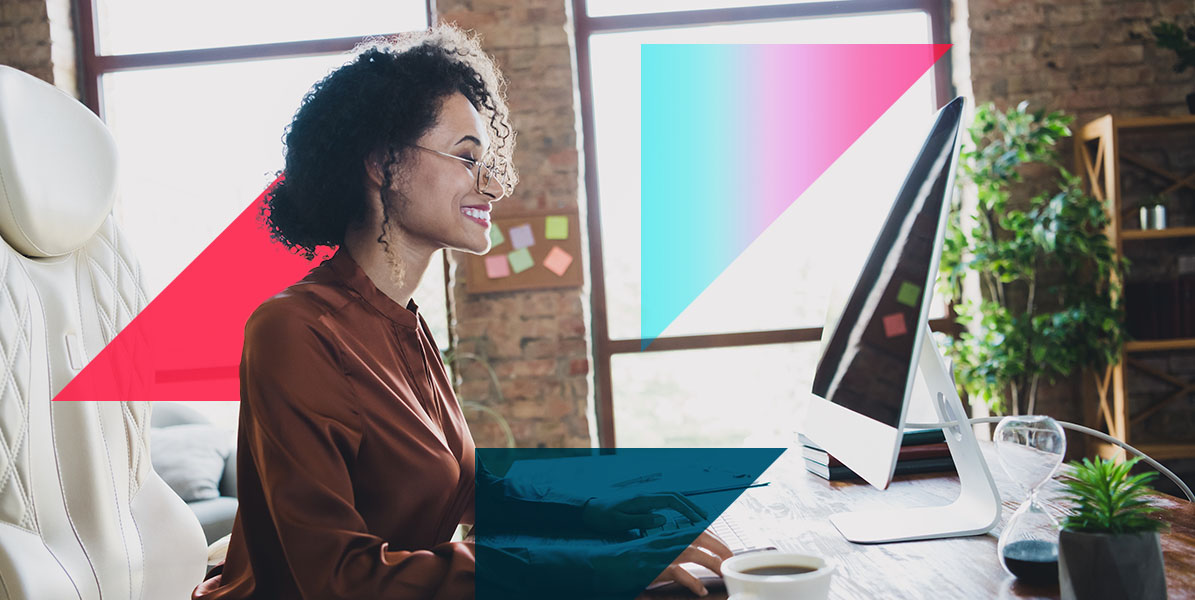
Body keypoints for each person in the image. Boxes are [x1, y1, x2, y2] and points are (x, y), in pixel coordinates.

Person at [191, 25, 730, 600]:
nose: (494, 185)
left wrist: (604, 518)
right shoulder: (293, 330)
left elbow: (469, 487)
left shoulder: (404, 324)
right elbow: (336, 578)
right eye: (467, 157)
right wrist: (575, 563)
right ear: (383, 163)